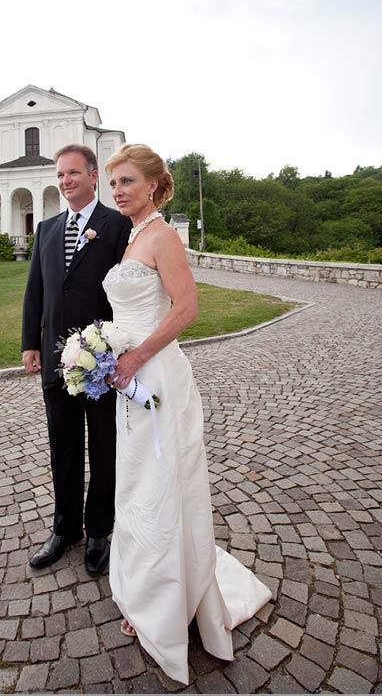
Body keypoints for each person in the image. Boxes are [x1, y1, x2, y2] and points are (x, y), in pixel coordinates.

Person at [102, 144, 272, 685]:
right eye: (114, 183)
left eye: (127, 181)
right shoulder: (131, 237)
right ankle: (142, 588)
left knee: (161, 481)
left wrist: (135, 355)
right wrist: (107, 353)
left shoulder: (164, 236)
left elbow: (186, 309)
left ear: (153, 185)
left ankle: (169, 604)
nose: (118, 190)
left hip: (155, 375)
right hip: (129, 377)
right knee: (134, 482)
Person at [22, 143, 131, 575]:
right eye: (60, 174)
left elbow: (124, 294)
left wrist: (115, 350)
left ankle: (99, 530)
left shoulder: (116, 225)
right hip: (54, 360)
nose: (66, 180)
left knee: (104, 448)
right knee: (63, 448)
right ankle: (64, 528)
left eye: (73, 173)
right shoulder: (47, 229)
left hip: (101, 364)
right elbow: (36, 291)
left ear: (92, 177)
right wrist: (30, 342)